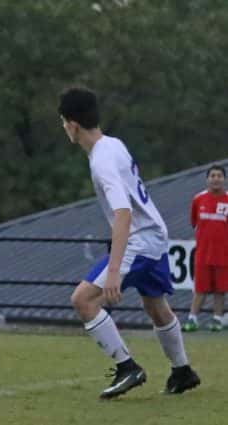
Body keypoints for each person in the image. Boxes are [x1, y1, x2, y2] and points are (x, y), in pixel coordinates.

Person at [59, 87, 200, 399]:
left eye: (63, 122)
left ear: (72, 125)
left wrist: (113, 270)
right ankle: (182, 371)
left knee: (83, 300)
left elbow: (122, 213)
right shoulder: (114, 144)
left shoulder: (101, 161)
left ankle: (127, 367)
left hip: (139, 239)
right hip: (155, 233)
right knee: (155, 304)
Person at [182, 165, 228, 332]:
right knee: (200, 288)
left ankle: (217, 320)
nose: (216, 179)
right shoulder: (198, 199)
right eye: (213, 176)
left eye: (219, 175)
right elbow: (194, 222)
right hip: (203, 254)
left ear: (224, 179)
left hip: (224, 254)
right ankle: (192, 319)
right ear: (207, 179)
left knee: (220, 289)